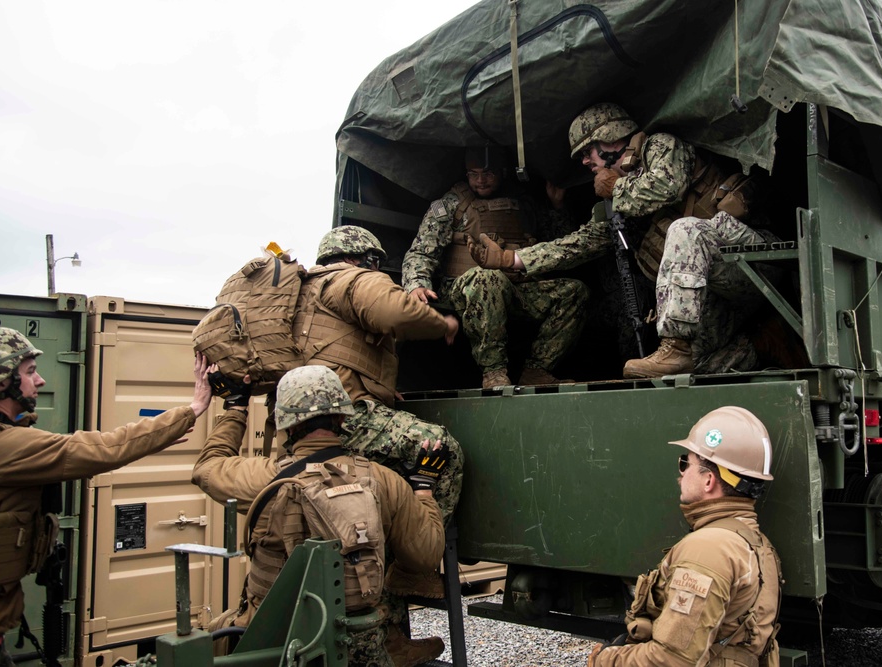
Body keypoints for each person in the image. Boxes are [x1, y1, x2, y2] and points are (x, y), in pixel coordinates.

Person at [469, 103, 778, 378]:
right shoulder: (618, 199)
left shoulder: (660, 147)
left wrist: (616, 188)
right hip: (713, 292)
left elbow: (667, 187)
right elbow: (582, 242)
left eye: (587, 152)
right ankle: (762, 344)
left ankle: (675, 345)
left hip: (751, 263)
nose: (585, 163)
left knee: (686, 230)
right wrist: (512, 259)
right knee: (692, 369)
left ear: (611, 138)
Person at [0, 327, 212, 667]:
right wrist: (191, 409)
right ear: (1, 381)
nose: (41, 381)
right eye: (30, 372)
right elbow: (98, 449)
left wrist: (155, 436)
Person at [193, 365, 447, 667]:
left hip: (274, 639)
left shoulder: (260, 478)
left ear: (284, 422)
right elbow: (426, 555)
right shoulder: (384, 481)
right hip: (358, 645)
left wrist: (236, 408)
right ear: (342, 417)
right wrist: (424, 489)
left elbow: (206, 467)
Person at [587, 406, 781, 667]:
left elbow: (672, 660)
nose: (680, 474)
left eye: (685, 463)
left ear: (709, 480)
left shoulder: (709, 549)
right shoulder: (758, 544)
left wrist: (605, 660)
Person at [402, 146, 589, 389]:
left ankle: (537, 370)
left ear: (503, 172)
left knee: (575, 292)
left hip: (514, 288)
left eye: (488, 174)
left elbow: (559, 245)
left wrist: (557, 207)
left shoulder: (524, 204)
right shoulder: (451, 205)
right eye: (473, 174)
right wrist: (417, 284)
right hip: (464, 289)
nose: (480, 180)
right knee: (487, 277)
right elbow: (421, 251)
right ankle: (494, 373)